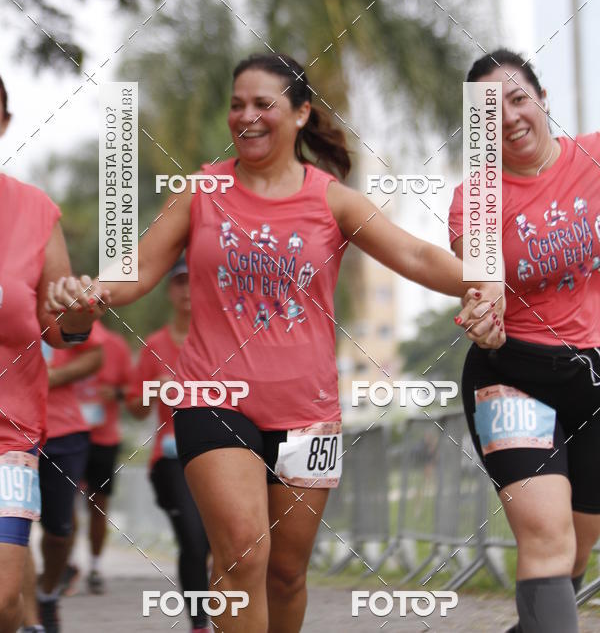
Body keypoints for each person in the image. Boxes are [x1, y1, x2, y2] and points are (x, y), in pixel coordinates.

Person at [48, 53, 502, 633]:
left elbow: (414, 253)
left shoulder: (330, 198)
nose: (247, 116)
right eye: (237, 104)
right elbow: (136, 271)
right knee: (242, 554)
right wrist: (92, 292)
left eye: (264, 104)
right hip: (212, 397)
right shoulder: (202, 191)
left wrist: (483, 279)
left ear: (300, 113)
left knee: (286, 573)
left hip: (308, 413)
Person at [449, 48, 600, 633]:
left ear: (541, 99)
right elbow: (483, 276)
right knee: (546, 541)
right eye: (488, 112)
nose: (508, 117)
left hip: (589, 378)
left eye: (517, 98)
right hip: (509, 375)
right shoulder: (478, 195)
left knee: (573, 559)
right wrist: (486, 311)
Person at [0, 76, 102, 633]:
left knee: (2, 604)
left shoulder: (36, 213)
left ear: (4, 123)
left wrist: (77, 317)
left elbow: (62, 329)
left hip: (8, 434)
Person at [128, 258, 211, 633]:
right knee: (193, 539)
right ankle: (199, 625)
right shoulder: (155, 346)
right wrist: (153, 388)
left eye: (194, 281)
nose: (188, 291)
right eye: (180, 283)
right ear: (170, 292)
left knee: (215, 542)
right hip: (172, 458)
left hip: (217, 453)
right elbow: (134, 406)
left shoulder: (217, 340)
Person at [22, 329, 103, 633]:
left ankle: (47, 594)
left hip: (63, 432)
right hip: (11, 431)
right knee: (15, 524)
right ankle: (31, 622)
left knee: (59, 533)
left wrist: (52, 377)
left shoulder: (54, 301)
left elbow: (95, 355)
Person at [65, 321, 134, 595]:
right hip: (67, 433)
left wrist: (114, 393)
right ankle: (67, 565)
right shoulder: (59, 337)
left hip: (103, 437)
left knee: (98, 504)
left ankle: (94, 566)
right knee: (64, 503)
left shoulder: (114, 344)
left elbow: (132, 389)